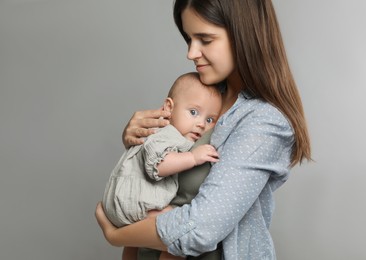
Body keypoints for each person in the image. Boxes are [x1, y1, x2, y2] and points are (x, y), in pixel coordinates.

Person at [96, 0, 312, 259]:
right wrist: (138, 141)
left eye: (205, 39)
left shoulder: (265, 122)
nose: (191, 52)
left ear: (243, 35)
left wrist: (116, 234)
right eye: (189, 38)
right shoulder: (203, 96)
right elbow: (158, 171)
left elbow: (201, 229)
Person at [102, 72, 222, 259]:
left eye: (209, 120)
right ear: (168, 107)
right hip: (131, 204)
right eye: (193, 112)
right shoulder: (167, 133)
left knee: (136, 245)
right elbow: (158, 165)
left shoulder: (173, 135)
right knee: (177, 224)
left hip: (125, 205)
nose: (200, 124)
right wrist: (193, 157)